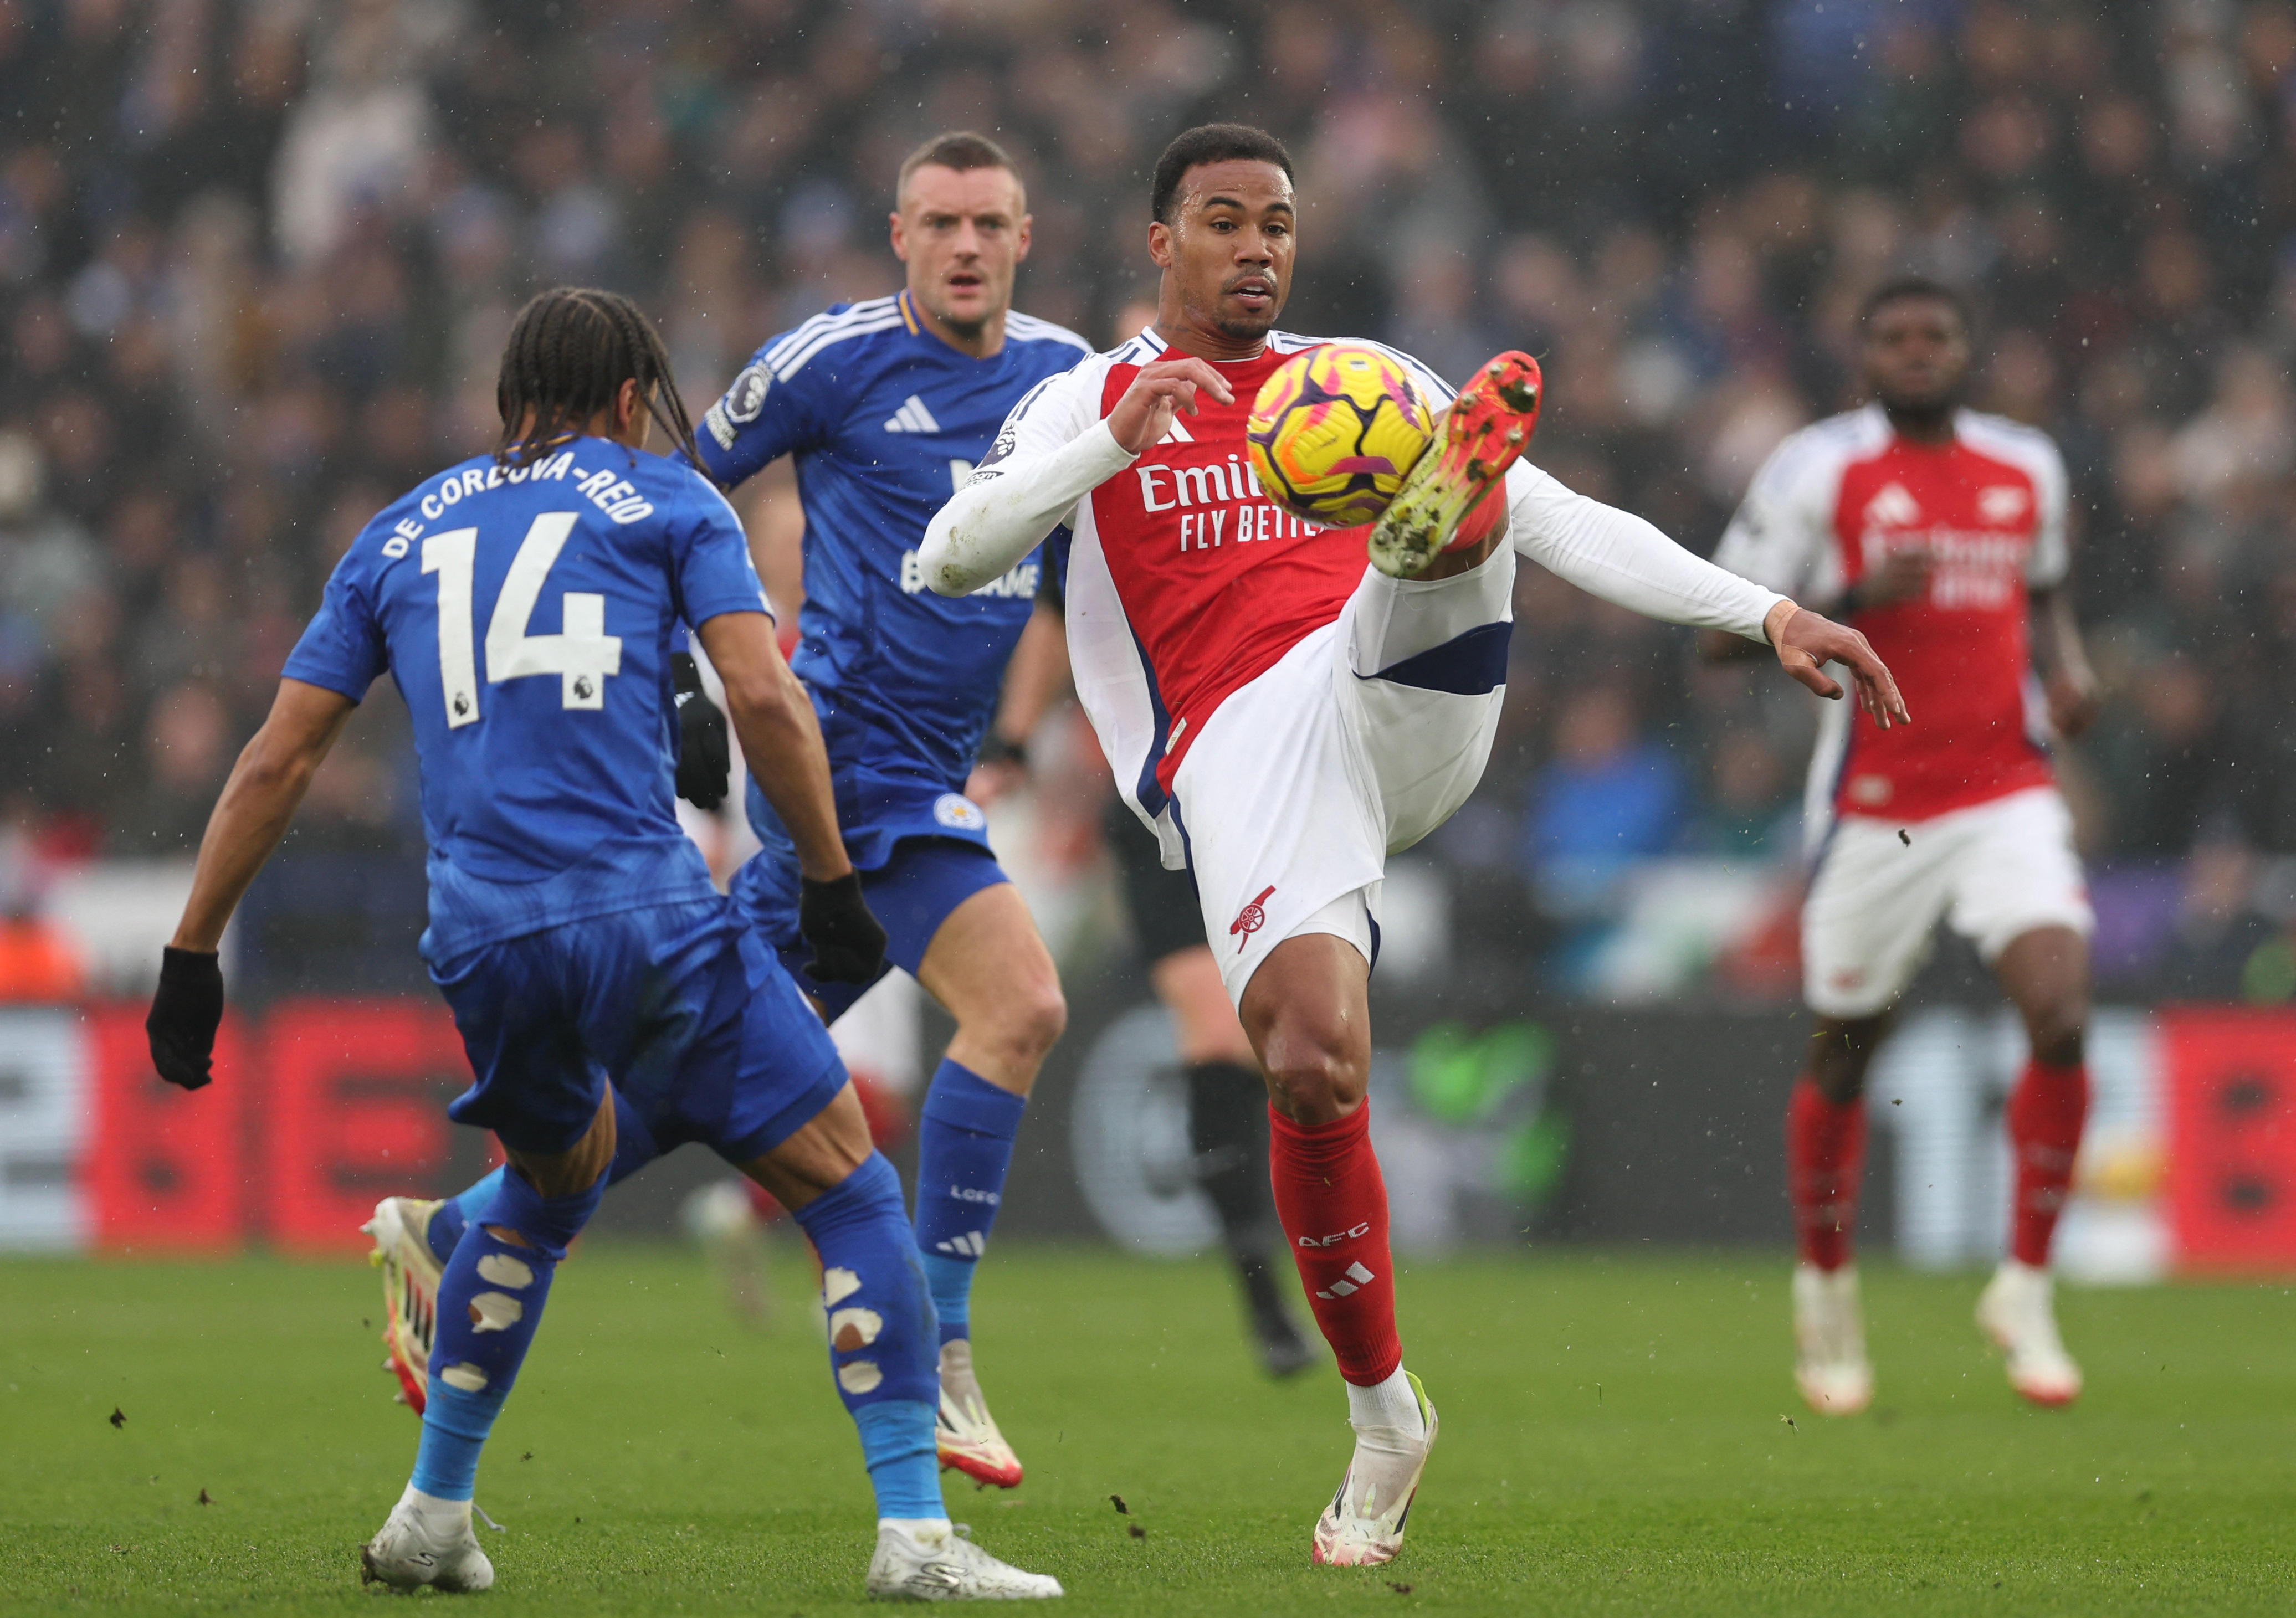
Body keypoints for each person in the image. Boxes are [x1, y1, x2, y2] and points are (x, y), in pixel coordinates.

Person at [919, 122, 1904, 1567]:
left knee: (1466, 512)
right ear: (1160, 243)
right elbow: (950, 552)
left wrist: (1762, 614)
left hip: (1385, 678)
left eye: (1278, 222)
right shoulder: (1085, 397)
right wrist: (1098, 454)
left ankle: (1431, 525)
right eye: (1223, 221)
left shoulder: (1357, 379)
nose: (1256, 246)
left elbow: (1566, 515)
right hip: (1236, 754)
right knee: (1311, 1063)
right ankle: (1386, 1415)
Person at [141, 287, 1058, 1600]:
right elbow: (766, 695)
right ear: (632, 402)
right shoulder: (671, 501)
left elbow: (278, 758)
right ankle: (915, 1534)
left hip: (479, 938)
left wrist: (192, 952)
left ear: (509, 401)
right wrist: (835, 878)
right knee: (851, 1192)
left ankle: (433, 1513)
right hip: (643, 915)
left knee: (555, 1186)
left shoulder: (398, 531)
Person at [375, 132, 1094, 1493]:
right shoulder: (829, 361)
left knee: (705, 1073)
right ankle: (939, 1354)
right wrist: (683, 679)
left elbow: (1064, 581)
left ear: (1024, 235)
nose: (963, 245)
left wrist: (1018, 733)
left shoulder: (1068, 380)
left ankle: (454, 1225)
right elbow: (662, 489)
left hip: (930, 763)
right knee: (1023, 1006)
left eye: (987, 224)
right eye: (938, 221)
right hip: (846, 754)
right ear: (898, 236)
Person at [1703, 275, 2102, 1415]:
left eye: (1936, 335)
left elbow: (2049, 590)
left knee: (2061, 1014)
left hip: (2005, 793)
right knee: (1843, 1058)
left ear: (1969, 349)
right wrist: (1845, 595)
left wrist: (2064, 668)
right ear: (1862, 355)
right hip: (1874, 808)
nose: (1917, 352)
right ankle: (1824, 1288)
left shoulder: (2025, 464)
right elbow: (1718, 640)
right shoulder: (1814, 469)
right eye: (1893, 338)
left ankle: (2023, 1285)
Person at [971, 583, 1315, 1378]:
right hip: (1163, 807)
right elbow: (1063, 608)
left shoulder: (1271, 469)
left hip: (1275, 792)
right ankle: (1262, 1290)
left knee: (1295, 1043)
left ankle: (1328, 1271)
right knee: (1222, 1035)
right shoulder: (1102, 475)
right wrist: (1016, 739)